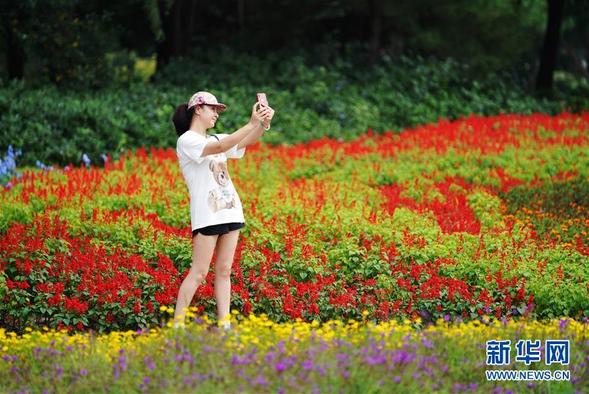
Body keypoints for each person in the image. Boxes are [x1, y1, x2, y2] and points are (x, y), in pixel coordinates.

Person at [171, 91, 274, 329]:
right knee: (198, 272)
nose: (216, 114)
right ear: (198, 109)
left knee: (225, 270)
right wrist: (250, 122)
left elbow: (244, 141)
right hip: (207, 215)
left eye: (218, 110)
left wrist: (262, 124)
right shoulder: (187, 141)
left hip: (230, 210)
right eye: (212, 109)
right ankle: (177, 326)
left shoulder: (215, 138)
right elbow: (223, 145)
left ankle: (224, 326)